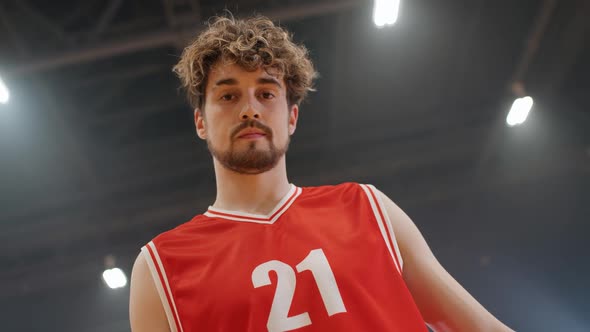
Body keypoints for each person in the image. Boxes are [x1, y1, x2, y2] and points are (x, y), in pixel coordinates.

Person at [129, 15, 514, 332]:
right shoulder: (160, 267)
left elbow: (478, 327)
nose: (250, 109)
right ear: (200, 121)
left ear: (292, 116)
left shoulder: (367, 207)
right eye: (228, 96)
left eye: (266, 93)